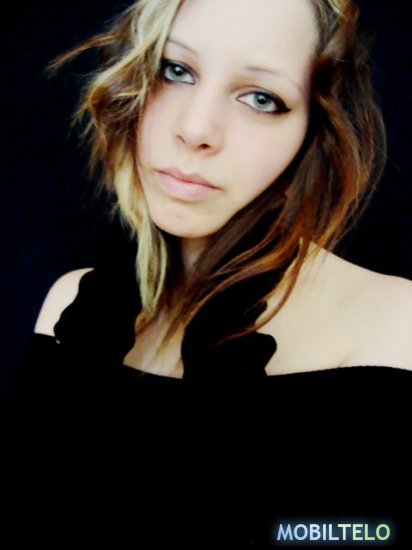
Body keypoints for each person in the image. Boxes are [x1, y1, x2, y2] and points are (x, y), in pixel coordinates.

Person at [9, 0, 412, 547]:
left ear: (315, 127)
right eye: (175, 70)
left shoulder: (395, 324)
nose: (196, 129)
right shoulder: (73, 308)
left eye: (261, 98)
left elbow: (368, 534)